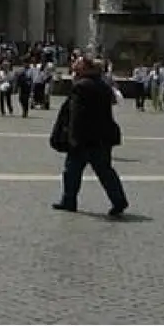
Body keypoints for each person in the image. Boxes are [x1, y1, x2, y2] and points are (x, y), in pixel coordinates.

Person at [53, 58, 130, 219]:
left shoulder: (81, 86)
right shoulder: (103, 85)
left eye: (78, 65)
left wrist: (72, 137)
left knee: (72, 171)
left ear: (85, 68)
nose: (74, 67)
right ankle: (119, 201)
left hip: (84, 137)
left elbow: (76, 114)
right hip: (103, 136)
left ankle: (69, 201)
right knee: (105, 171)